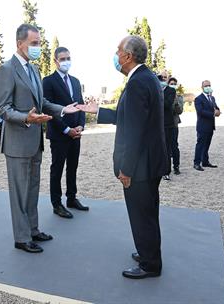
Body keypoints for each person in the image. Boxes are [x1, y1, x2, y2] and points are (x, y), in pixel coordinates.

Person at [77, 35, 168, 279]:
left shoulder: (138, 82)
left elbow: (135, 131)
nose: (115, 55)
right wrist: (99, 111)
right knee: (147, 211)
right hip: (149, 161)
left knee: (142, 214)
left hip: (140, 166)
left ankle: (150, 265)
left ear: (128, 56)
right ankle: (148, 253)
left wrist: (126, 169)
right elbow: (129, 116)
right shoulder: (145, 77)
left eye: (118, 51)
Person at [0, 24, 79, 254]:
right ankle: (21, 238)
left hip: (34, 142)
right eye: (34, 44)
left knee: (32, 189)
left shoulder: (33, 70)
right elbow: (3, 109)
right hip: (17, 143)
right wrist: (27, 118)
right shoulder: (6, 69)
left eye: (39, 43)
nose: (38, 48)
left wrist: (64, 110)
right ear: (19, 43)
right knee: (19, 192)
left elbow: (42, 104)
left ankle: (32, 230)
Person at [43, 46, 87, 219]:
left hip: (76, 133)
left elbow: (81, 105)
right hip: (59, 134)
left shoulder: (75, 81)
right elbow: (48, 109)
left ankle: (71, 198)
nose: (66, 61)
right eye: (62, 59)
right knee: (57, 169)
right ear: (55, 61)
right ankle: (57, 204)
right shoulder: (48, 81)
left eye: (68, 58)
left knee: (73, 167)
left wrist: (81, 126)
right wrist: (66, 129)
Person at [193, 80, 220, 171]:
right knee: (200, 144)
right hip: (202, 125)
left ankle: (205, 161)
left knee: (207, 144)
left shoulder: (212, 98)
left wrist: (218, 111)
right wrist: (213, 114)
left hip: (210, 126)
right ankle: (196, 163)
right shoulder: (198, 99)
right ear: (202, 87)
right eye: (206, 86)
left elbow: (216, 107)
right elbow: (200, 112)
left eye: (209, 85)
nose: (208, 87)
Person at [158, 71, 176, 181]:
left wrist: (157, 96)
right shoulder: (153, 89)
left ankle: (166, 171)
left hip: (167, 124)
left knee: (166, 149)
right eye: (161, 77)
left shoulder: (171, 91)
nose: (163, 79)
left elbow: (168, 104)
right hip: (155, 123)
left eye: (165, 78)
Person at [168, 77, 184, 175]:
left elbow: (180, 111)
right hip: (164, 125)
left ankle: (176, 166)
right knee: (165, 147)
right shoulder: (163, 94)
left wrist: (174, 100)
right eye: (171, 83)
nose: (173, 85)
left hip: (173, 125)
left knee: (174, 146)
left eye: (174, 83)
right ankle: (165, 168)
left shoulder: (179, 97)